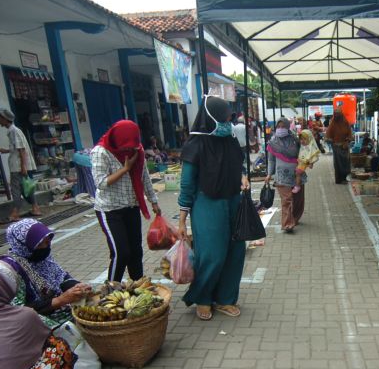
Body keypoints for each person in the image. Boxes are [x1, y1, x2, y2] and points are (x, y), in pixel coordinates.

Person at [178, 95, 250, 321]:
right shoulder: (195, 144)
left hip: (234, 201)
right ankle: (203, 297)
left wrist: (243, 177)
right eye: (224, 118)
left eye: (229, 118)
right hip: (207, 205)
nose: (228, 123)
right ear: (210, 117)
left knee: (236, 252)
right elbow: (187, 184)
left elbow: (237, 165)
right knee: (212, 254)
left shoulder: (229, 139)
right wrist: (181, 220)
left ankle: (226, 299)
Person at [91, 120, 161, 282]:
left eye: (132, 146)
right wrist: (125, 169)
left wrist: (154, 201)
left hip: (131, 206)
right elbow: (100, 183)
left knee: (136, 251)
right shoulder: (101, 152)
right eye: (126, 146)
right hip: (110, 209)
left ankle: (138, 287)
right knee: (122, 253)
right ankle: (110, 290)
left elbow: (144, 177)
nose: (129, 149)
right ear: (117, 139)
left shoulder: (138, 150)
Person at [0, 219, 91, 327]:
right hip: (34, 322)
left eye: (48, 242)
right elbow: (17, 310)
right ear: (25, 245)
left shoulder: (43, 259)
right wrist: (59, 300)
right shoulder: (11, 269)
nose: (46, 247)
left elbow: (60, 276)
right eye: (41, 244)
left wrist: (76, 287)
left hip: (58, 311)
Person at [0, 109, 41, 223]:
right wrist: (6, 151)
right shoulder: (13, 131)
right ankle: (35, 207)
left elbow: (21, 150)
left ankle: (15, 213)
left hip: (17, 166)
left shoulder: (14, 131)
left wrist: (23, 166)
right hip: (18, 165)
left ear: (5, 119)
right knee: (25, 187)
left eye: (0, 118)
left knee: (16, 189)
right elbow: (16, 149)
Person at [265, 118, 303, 232]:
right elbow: (271, 160)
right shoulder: (272, 142)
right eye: (278, 127)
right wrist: (269, 174)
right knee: (286, 200)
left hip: (297, 174)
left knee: (298, 200)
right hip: (281, 176)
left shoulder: (295, 140)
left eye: (283, 127)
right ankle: (287, 224)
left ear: (288, 127)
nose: (280, 129)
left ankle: (295, 219)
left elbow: (303, 154)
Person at [325, 110, 353, 184]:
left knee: (346, 162)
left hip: (345, 147)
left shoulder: (346, 123)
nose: (337, 116)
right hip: (336, 147)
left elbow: (349, 134)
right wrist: (332, 142)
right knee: (338, 164)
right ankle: (339, 179)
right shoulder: (333, 124)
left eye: (338, 115)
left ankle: (345, 177)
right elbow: (328, 136)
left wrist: (347, 142)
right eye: (335, 115)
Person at [294, 129, 319, 194]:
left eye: (305, 139)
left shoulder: (311, 146)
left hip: (304, 162)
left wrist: (311, 163)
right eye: (301, 139)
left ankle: (297, 186)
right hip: (301, 161)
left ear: (309, 138)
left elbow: (315, 156)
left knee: (298, 173)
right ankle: (298, 184)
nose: (302, 141)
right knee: (297, 173)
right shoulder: (303, 145)